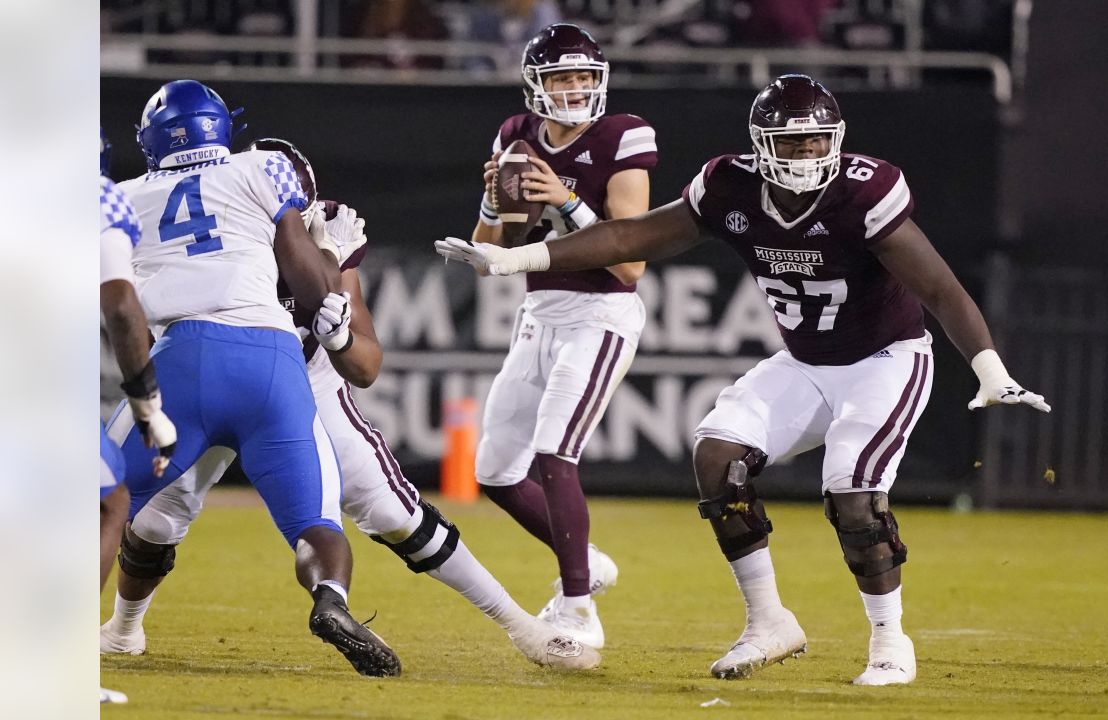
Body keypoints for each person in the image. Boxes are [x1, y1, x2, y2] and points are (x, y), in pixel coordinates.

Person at [436, 73, 1052, 685]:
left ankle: (890, 640)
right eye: (792, 143)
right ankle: (768, 621)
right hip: (806, 364)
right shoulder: (729, 187)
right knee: (717, 454)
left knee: (851, 490)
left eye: (817, 143)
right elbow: (629, 235)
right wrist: (519, 256)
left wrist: (988, 366)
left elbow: (939, 288)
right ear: (761, 144)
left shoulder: (864, 192)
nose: (807, 155)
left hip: (884, 360)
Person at [100, 137, 599, 671]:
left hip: (305, 384)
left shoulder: (302, 217)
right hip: (260, 376)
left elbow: (365, 365)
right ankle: (125, 629)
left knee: (394, 512)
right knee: (159, 520)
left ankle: (524, 629)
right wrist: (329, 261)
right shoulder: (242, 215)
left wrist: (338, 337)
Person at [107, 79, 400, 677]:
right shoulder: (263, 168)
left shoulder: (124, 196)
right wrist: (332, 285)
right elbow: (303, 272)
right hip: (272, 359)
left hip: (180, 358)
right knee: (315, 522)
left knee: (101, 499)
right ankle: (331, 601)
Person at [464, 22, 657, 650]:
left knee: (554, 453)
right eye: (562, 78)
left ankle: (578, 610)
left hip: (600, 316)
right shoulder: (517, 136)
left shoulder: (624, 134)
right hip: (539, 314)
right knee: (494, 471)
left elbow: (631, 263)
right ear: (535, 85)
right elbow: (488, 249)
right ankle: (588, 561)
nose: (575, 90)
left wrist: (568, 199)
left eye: (583, 77)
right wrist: (495, 203)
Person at [99, 128, 178, 705]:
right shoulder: (97, 195)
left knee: (106, 495)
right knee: (107, 501)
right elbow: (123, 305)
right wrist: (148, 404)